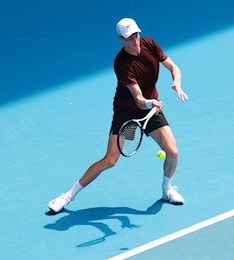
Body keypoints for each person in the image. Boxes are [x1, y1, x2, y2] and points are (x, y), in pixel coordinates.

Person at [48, 17, 189, 213]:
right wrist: (150, 102)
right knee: (110, 160)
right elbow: (139, 98)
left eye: (136, 34)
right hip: (127, 112)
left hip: (151, 109)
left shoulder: (150, 43)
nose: (135, 39)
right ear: (120, 39)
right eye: (130, 37)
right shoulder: (121, 63)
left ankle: (166, 190)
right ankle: (67, 197)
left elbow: (174, 67)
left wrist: (177, 83)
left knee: (173, 152)